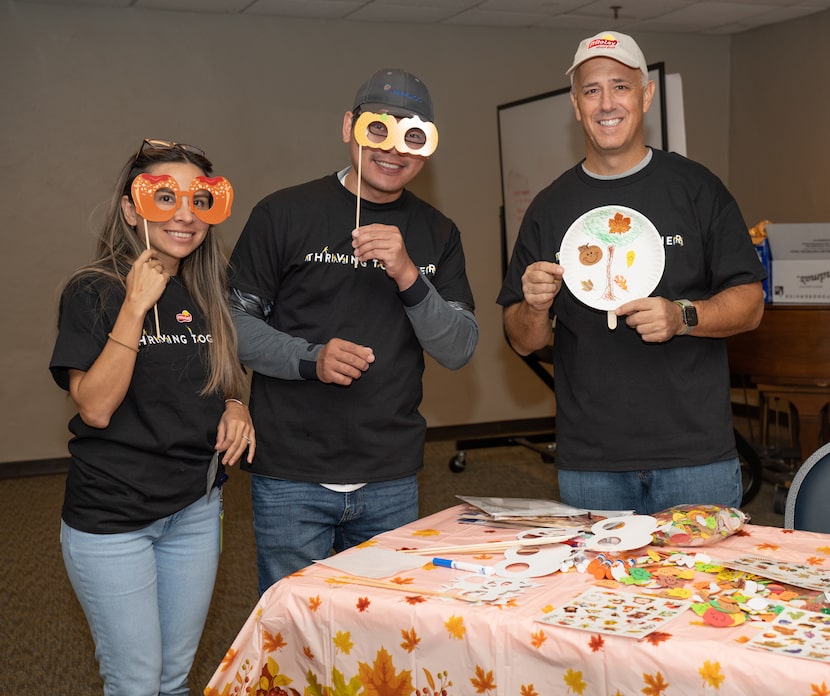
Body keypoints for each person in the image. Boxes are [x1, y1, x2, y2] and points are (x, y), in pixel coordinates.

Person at [228, 68, 478, 594]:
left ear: (427, 146)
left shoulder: (438, 233)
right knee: (293, 637)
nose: (393, 150)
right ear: (349, 126)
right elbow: (232, 325)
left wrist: (408, 274)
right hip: (292, 471)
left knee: (382, 637)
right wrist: (309, 358)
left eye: (413, 136)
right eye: (378, 129)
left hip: (389, 472)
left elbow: (458, 348)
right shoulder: (283, 213)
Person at [498, 31, 766, 515]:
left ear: (645, 95)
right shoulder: (550, 207)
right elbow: (522, 339)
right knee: (598, 591)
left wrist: (682, 316)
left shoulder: (697, 189)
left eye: (620, 86)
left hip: (694, 455)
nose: (607, 103)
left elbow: (750, 303)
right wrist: (535, 305)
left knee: (702, 590)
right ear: (576, 106)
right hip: (591, 462)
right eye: (591, 90)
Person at [50, 139, 255, 696]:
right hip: (114, 519)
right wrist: (137, 305)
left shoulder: (209, 289)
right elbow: (94, 406)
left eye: (200, 200)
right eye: (165, 197)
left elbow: (226, 372)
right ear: (131, 207)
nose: (185, 214)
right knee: (137, 683)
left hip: (194, 509)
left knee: (171, 680)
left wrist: (237, 402)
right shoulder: (94, 290)